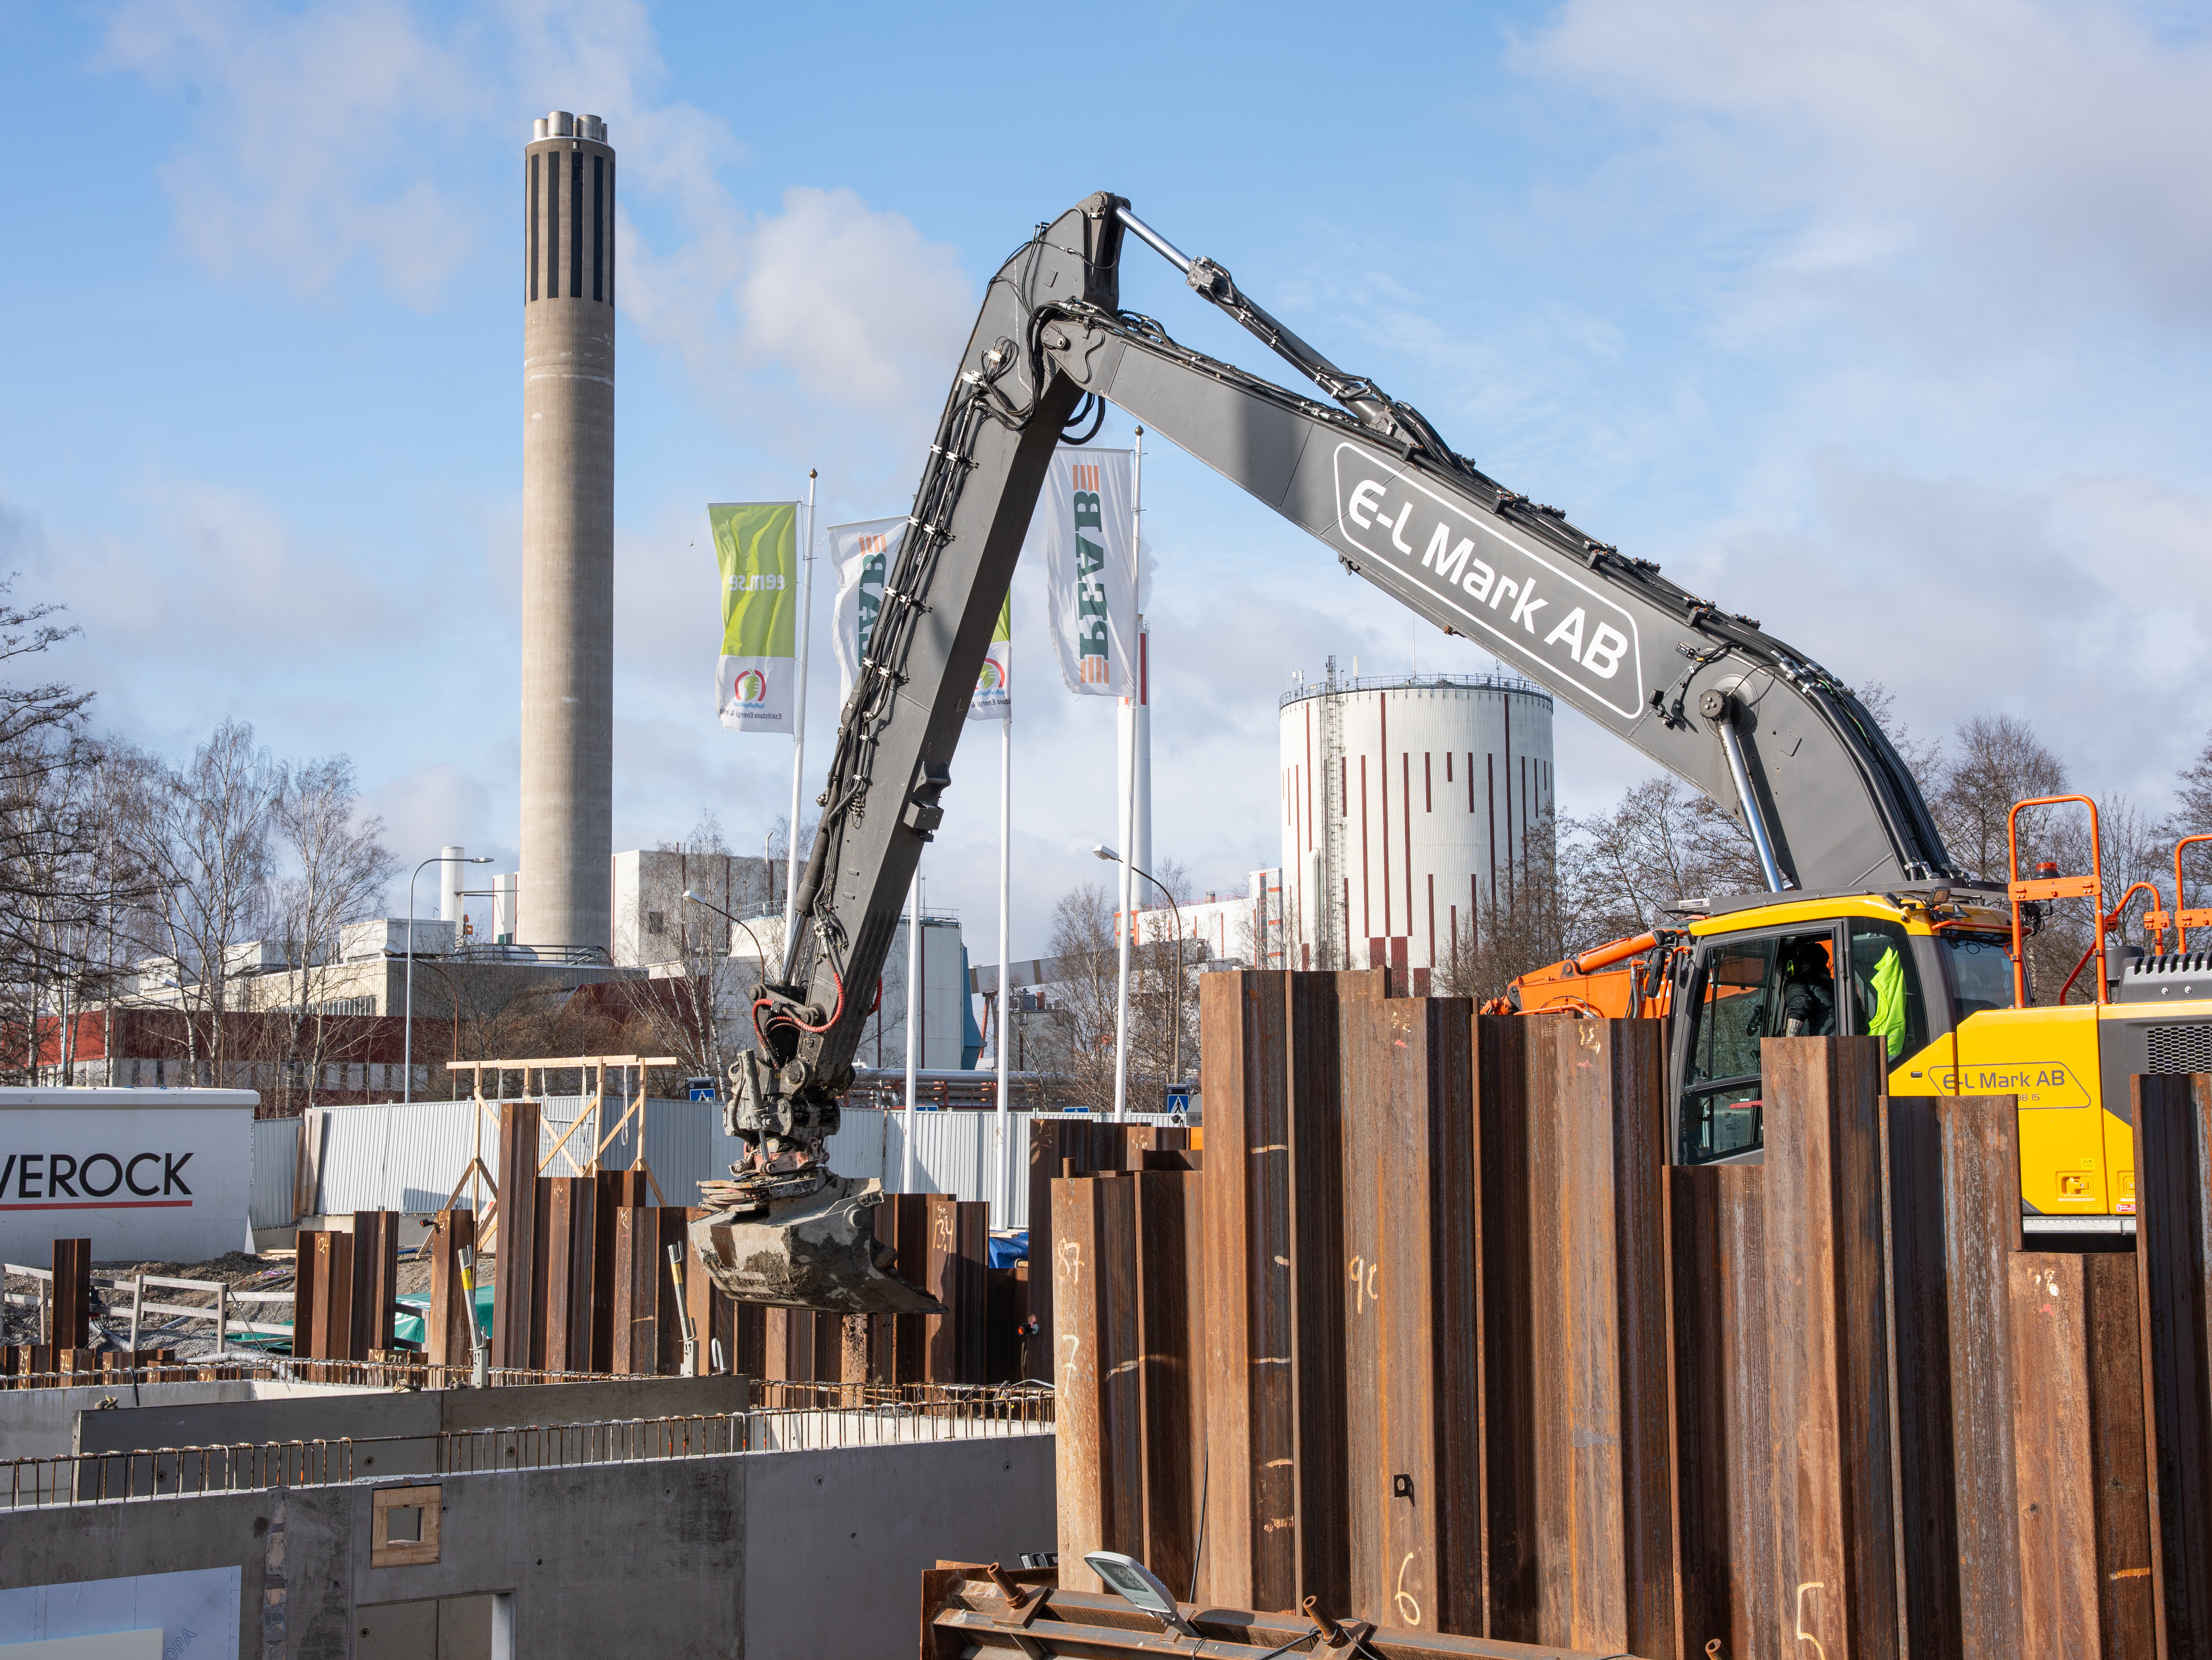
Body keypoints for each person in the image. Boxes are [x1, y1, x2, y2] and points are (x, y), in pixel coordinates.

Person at [1780, 938, 1836, 1037]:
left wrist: (1788, 1048)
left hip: (1826, 1043)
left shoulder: (1797, 981)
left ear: (1794, 966)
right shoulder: (1836, 984)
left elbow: (1800, 1004)